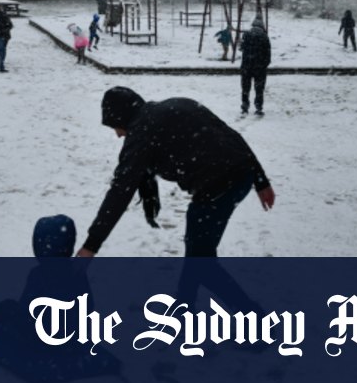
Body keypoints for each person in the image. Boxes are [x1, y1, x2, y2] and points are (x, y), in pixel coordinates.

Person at [77, 87, 275, 258]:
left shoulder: (142, 133)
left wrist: (90, 246)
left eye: (115, 126)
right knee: (198, 259)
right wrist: (260, 180)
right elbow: (231, 137)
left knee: (200, 264)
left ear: (122, 117)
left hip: (219, 186)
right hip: (238, 175)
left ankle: (243, 304)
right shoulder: (175, 105)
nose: (118, 134)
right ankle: (186, 300)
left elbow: (120, 191)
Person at [240, 16, 271, 116]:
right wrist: (264, 65)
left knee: (245, 87)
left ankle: (245, 106)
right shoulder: (264, 36)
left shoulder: (246, 34)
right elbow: (268, 54)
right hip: (259, 68)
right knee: (259, 89)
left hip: (246, 66)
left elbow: (241, 48)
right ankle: (258, 107)